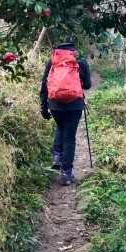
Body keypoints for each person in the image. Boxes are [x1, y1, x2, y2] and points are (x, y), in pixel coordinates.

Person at [40, 36, 92, 186]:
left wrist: (44, 107)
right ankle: (66, 174)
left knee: (60, 126)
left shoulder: (53, 60)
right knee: (70, 136)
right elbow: (88, 85)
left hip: (54, 103)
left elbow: (44, 84)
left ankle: (57, 156)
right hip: (74, 104)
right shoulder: (79, 59)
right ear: (73, 46)